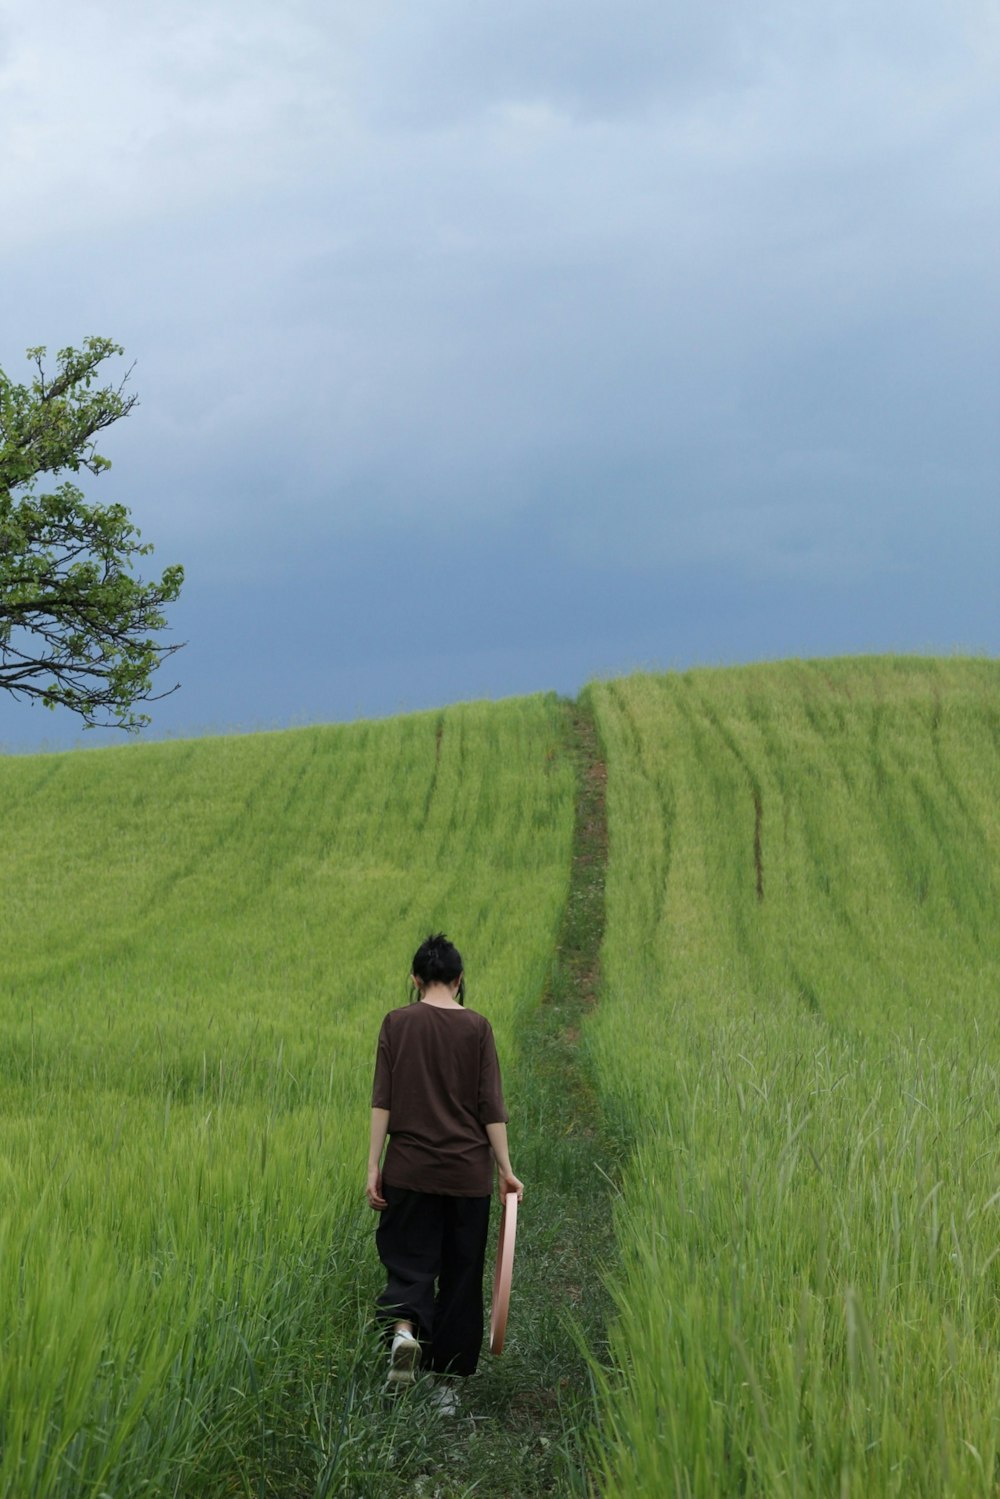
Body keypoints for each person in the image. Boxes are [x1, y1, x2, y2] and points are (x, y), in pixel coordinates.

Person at [367, 933, 524, 1401]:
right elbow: (490, 1107)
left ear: (415, 979)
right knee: (460, 1274)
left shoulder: (396, 1023)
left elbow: (383, 1101)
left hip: (408, 1172)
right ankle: (446, 1390)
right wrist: (505, 1169)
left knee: (408, 1260)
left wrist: (373, 1165)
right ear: (459, 980)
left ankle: (403, 1333)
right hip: (465, 1177)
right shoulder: (478, 1028)